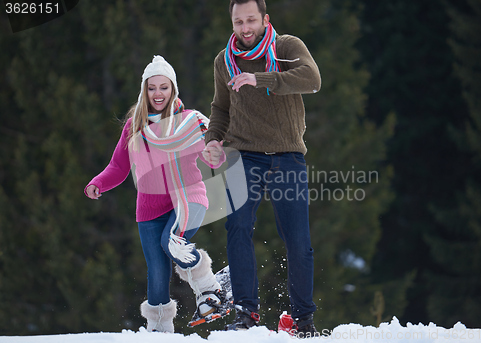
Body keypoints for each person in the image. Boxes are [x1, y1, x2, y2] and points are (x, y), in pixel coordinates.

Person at [203, 0, 321, 335]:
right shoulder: (224, 61)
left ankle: (302, 319)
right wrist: (213, 139)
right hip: (244, 154)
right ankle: (245, 313)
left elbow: (312, 79)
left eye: (251, 20)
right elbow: (220, 108)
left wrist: (260, 78)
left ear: (265, 19)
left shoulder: (286, 46)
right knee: (238, 227)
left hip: (287, 154)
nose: (245, 28)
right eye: (238, 21)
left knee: (298, 240)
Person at [84, 56, 227, 333]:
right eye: (152, 88)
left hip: (189, 198)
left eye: (164, 87)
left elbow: (213, 156)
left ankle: (209, 289)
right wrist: (97, 183)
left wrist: (215, 153)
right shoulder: (134, 127)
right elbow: (118, 166)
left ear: (173, 89)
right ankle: (160, 330)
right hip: (149, 209)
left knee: (172, 241)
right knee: (158, 272)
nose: (158, 94)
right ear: (144, 90)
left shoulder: (189, 121)